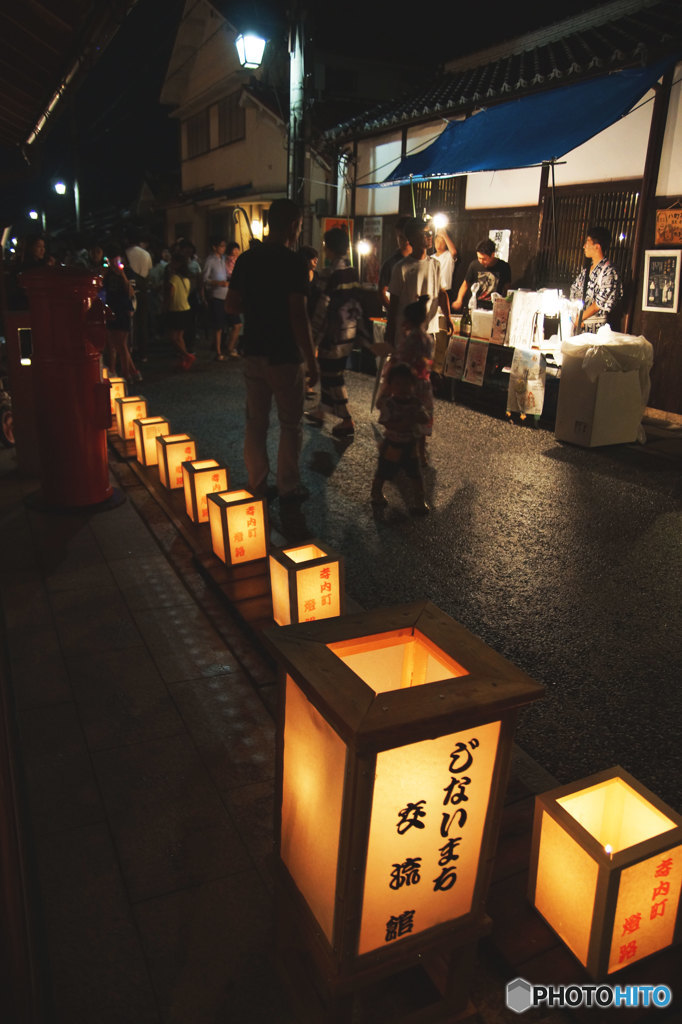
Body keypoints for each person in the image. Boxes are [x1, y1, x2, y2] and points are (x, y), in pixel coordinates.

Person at [225, 198, 318, 502]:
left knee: (256, 422)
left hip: (253, 350)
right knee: (290, 424)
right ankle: (289, 486)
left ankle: (258, 483)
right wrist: (311, 358)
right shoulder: (294, 263)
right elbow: (298, 314)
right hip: (284, 355)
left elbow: (231, 304)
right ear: (294, 224)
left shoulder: (247, 260)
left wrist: (256, 306)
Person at [304, 228, 370, 438]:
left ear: (327, 247)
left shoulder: (328, 274)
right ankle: (322, 411)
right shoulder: (352, 271)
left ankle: (346, 419)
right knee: (331, 372)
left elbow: (321, 308)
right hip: (348, 332)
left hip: (332, 333)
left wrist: (312, 337)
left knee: (333, 375)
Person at [385, 217, 453, 352]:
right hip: (407, 331)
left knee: (424, 370)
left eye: (430, 233)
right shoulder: (401, 267)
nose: (429, 236)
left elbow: (441, 293)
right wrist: (390, 332)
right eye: (425, 233)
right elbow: (394, 304)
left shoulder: (435, 265)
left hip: (429, 330)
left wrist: (448, 318)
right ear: (412, 238)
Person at [371, 362, 430, 516]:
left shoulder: (416, 403)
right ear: (390, 386)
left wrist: (420, 417)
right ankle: (376, 493)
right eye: (397, 383)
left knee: (415, 474)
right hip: (392, 445)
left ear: (413, 385)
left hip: (410, 445)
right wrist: (401, 425)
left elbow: (425, 418)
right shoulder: (390, 404)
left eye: (406, 383)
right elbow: (384, 421)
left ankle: (419, 501)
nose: (402, 387)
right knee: (383, 471)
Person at [397, 295, 434, 465]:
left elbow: (404, 360)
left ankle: (408, 453)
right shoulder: (427, 339)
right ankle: (421, 454)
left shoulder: (410, 339)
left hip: (411, 383)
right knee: (421, 417)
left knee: (408, 417)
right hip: (424, 383)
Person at [569, 226, 623, 332]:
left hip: (596, 327)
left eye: (587, 243)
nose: (584, 246)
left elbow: (598, 305)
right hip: (579, 323)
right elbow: (574, 289)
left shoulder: (609, 271)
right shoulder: (586, 271)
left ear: (597, 246)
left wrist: (580, 318)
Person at [102, 250, 140, 382]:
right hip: (110, 309)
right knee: (112, 344)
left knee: (121, 344)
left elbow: (131, 292)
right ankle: (117, 371)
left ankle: (127, 373)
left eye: (117, 260)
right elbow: (102, 288)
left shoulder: (128, 272)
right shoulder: (107, 274)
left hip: (123, 310)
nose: (114, 263)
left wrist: (122, 274)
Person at [453, 238, 510, 311]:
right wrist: (459, 300)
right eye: (479, 258)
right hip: (477, 307)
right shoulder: (474, 265)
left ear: (492, 255)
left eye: (484, 259)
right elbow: (465, 284)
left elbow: (507, 288)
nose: (481, 261)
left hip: (495, 308)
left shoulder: (504, 267)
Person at [165, 251, 195, 371]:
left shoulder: (174, 279)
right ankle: (184, 360)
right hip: (185, 309)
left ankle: (187, 356)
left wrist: (164, 306)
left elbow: (170, 294)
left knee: (173, 337)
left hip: (175, 309)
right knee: (180, 337)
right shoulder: (186, 279)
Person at [202, 237, 229, 360]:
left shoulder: (223, 259)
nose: (223, 248)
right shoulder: (210, 260)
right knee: (217, 325)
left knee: (223, 324)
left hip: (225, 295)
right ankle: (218, 351)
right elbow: (205, 279)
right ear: (214, 247)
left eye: (224, 246)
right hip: (216, 295)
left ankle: (220, 347)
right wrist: (218, 283)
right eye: (221, 246)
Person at [378, 216, 412, 310]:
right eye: (400, 237)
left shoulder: (425, 262)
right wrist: (394, 312)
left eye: (406, 236)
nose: (404, 240)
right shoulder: (390, 264)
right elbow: (382, 292)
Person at [223, 243, 242, 357]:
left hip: (229, 293)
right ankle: (230, 348)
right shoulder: (229, 261)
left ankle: (230, 347)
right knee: (236, 324)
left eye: (237, 249)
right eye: (234, 249)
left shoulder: (235, 260)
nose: (236, 251)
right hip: (228, 293)